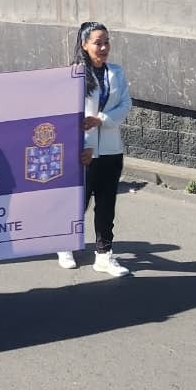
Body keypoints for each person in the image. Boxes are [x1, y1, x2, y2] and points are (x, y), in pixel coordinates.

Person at [57, 21, 132, 277]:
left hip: (111, 149)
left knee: (107, 203)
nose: (103, 47)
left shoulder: (116, 72)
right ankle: (64, 244)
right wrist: (84, 146)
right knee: (79, 201)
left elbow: (125, 104)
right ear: (84, 44)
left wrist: (102, 118)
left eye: (106, 42)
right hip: (83, 151)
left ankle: (104, 255)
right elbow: (68, 116)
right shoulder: (75, 75)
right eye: (97, 42)